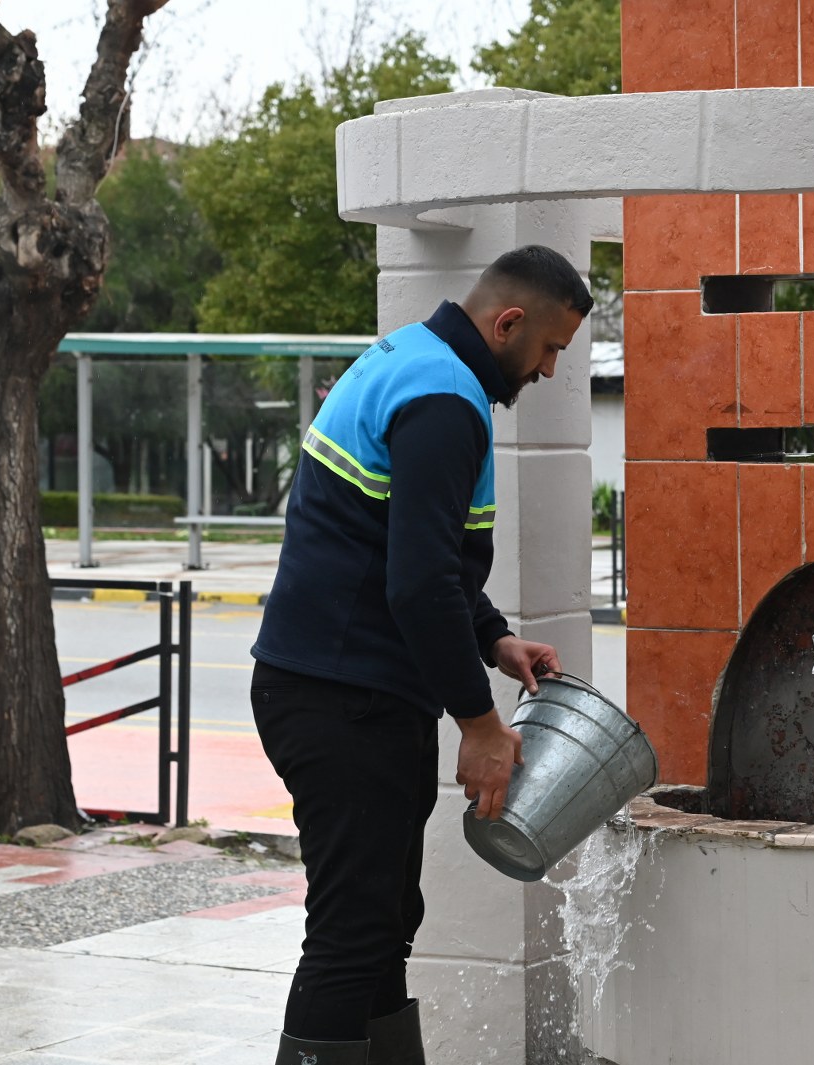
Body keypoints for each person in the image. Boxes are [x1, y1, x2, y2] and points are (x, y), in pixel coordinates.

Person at [250, 245, 594, 1065]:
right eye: (548, 348)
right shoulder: (447, 400)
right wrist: (480, 726)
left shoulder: (410, 356)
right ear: (507, 323)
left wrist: (492, 638)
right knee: (351, 930)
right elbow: (416, 584)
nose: (548, 371)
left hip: (343, 688)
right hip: (342, 698)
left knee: (382, 922)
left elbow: (405, 547)